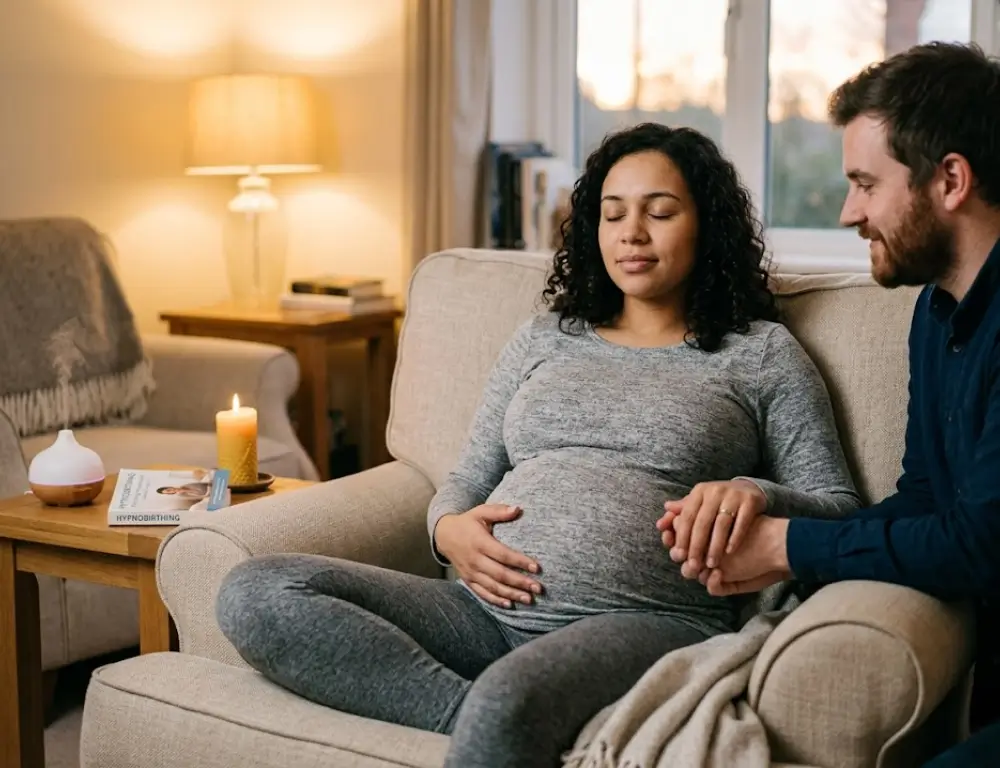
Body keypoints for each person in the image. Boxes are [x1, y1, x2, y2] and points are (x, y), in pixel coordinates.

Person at [212, 122, 861, 768]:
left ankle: (504, 718)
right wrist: (448, 531)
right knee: (258, 590)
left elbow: (838, 508)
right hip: (479, 611)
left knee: (509, 700)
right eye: (612, 214)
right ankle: (483, 723)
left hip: (646, 619)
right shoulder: (545, 338)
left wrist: (755, 492)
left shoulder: (761, 354)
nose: (632, 232)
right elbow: (466, 478)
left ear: (707, 226)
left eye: (659, 211)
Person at [661, 42, 1000, 766]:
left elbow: (982, 544)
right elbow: (924, 498)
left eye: (866, 184)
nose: (850, 212)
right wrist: (776, 559)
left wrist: (785, 545)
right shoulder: (938, 314)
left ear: (950, 180)